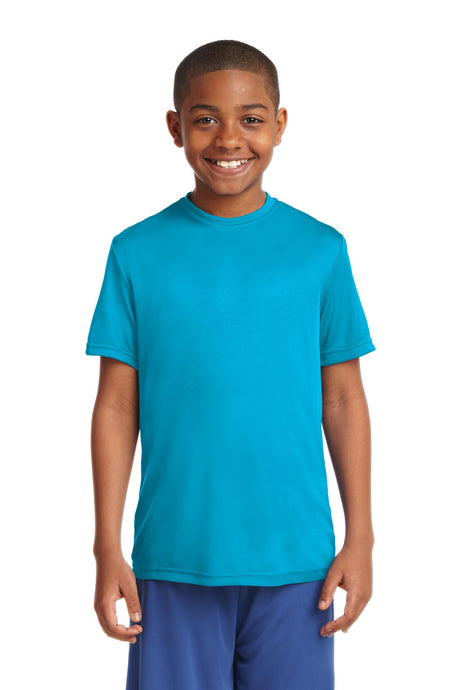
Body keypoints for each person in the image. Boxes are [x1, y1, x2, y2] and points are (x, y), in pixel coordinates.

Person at [86, 39, 376, 690]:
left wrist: (360, 537)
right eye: (205, 118)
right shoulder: (136, 253)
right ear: (175, 127)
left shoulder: (320, 251)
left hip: (298, 563)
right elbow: (117, 404)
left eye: (250, 118)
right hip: (175, 558)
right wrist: (106, 544)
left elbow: (343, 400)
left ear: (279, 124)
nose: (228, 139)